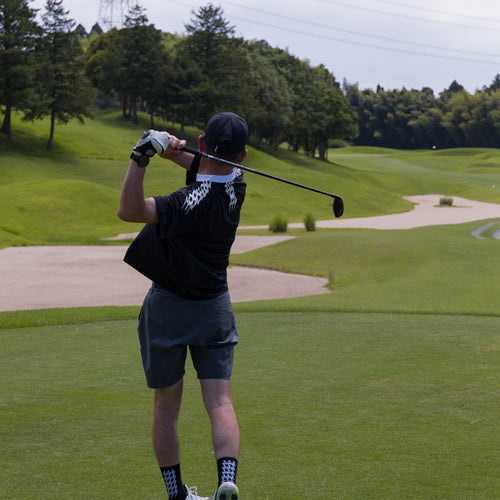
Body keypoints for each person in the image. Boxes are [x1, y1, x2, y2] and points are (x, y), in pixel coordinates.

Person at [117, 112, 248, 500]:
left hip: (169, 308)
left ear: (203, 142)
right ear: (243, 156)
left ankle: (177, 494)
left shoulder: (185, 201)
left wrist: (141, 156)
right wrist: (173, 151)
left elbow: (131, 210)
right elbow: (209, 167)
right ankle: (226, 478)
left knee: (166, 409)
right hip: (215, 308)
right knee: (220, 401)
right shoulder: (236, 187)